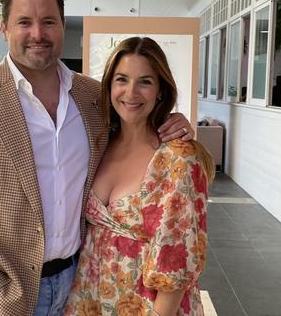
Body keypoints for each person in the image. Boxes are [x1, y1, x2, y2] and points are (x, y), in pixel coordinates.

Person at [0, 0, 194, 316]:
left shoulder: (92, 97)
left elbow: (135, 126)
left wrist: (172, 122)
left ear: (62, 25)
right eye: (24, 22)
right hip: (0, 294)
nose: (37, 33)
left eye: (48, 22)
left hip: (80, 284)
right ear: (5, 28)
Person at [64, 37, 215, 316]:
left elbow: (179, 256)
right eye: (122, 79)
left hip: (147, 306)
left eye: (145, 81)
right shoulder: (98, 143)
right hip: (88, 298)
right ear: (109, 85)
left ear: (160, 90)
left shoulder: (178, 157)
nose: (131, 92)